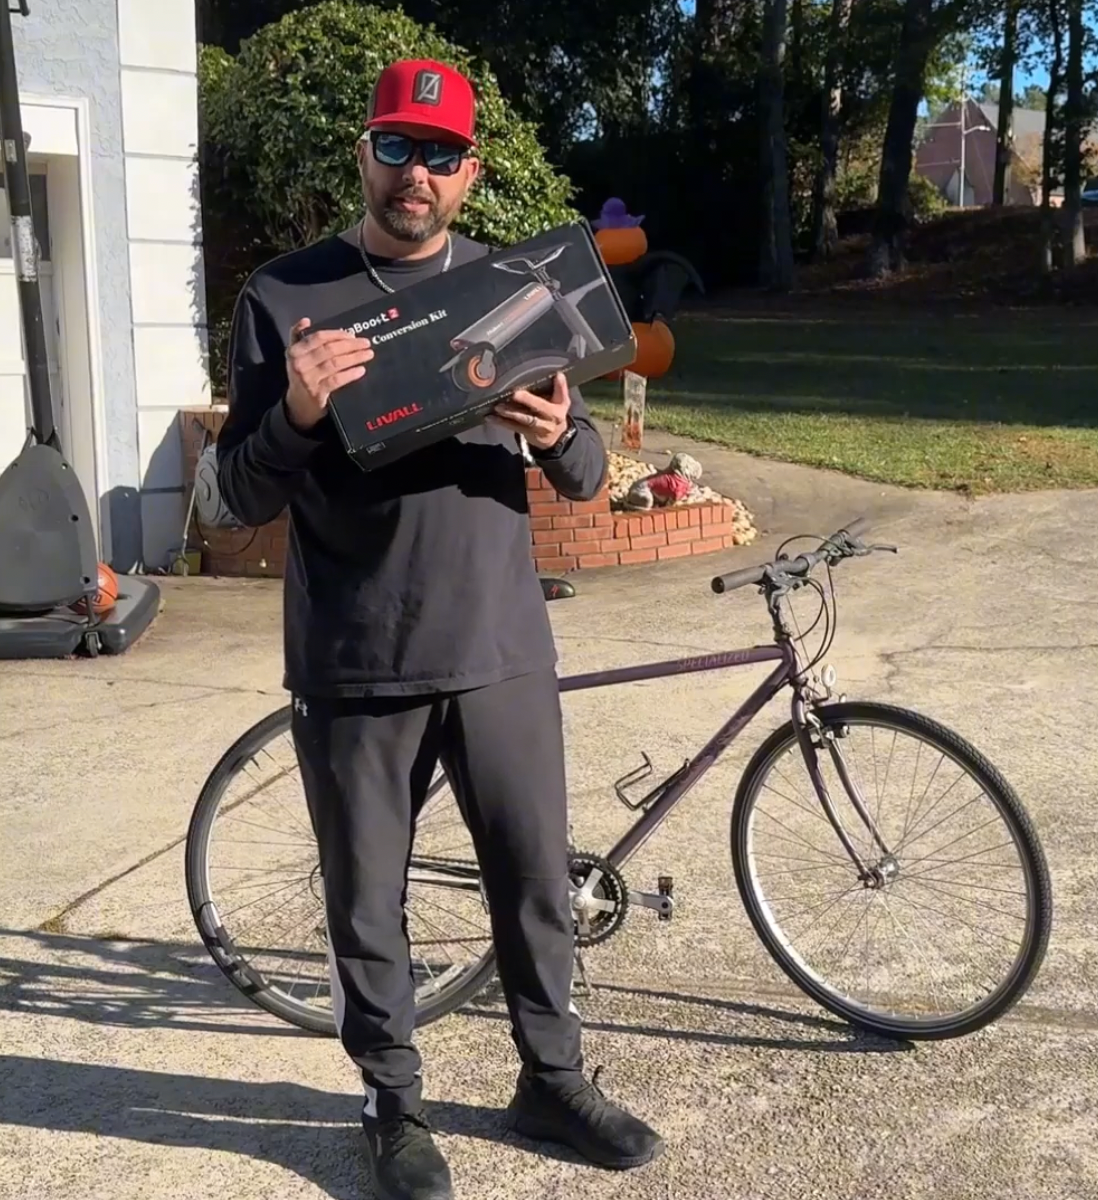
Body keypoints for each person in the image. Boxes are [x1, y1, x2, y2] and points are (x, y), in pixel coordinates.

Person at [212, 57, 662, 1200]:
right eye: (397, 147)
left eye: (441, 155)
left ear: (470, 173)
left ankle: (550, 1079)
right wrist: (299, 411)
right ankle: (391, 1105)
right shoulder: (284, 297)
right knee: (367, 903)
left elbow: (587, 475)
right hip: (354, 654)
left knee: (534, 883)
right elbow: (237, 496)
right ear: (364, 153)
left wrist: (556, 431)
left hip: (499, 645)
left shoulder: (513, 288)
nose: (415, 173)